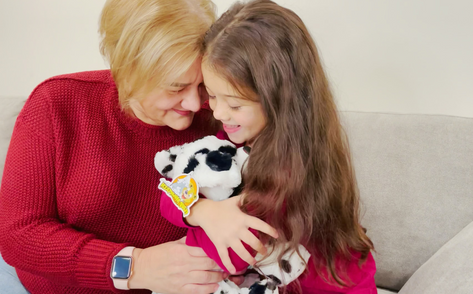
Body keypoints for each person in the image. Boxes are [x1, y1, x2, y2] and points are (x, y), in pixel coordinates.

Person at [0, 0, 276, 293]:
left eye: (202, 85)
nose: (196, 104)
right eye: (175, 87)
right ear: (128, 70)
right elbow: (18, 236)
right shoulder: (57, 104)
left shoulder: (223, 118)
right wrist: (135, 266)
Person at [160, 0, 377, 293]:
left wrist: (203, 222)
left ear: (278, 100)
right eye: (211, 95)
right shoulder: (231, 141)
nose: (219, 113)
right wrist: (202, 212)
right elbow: (167, 193)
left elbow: (233, 256)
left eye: (234, 104)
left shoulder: (291, 171)